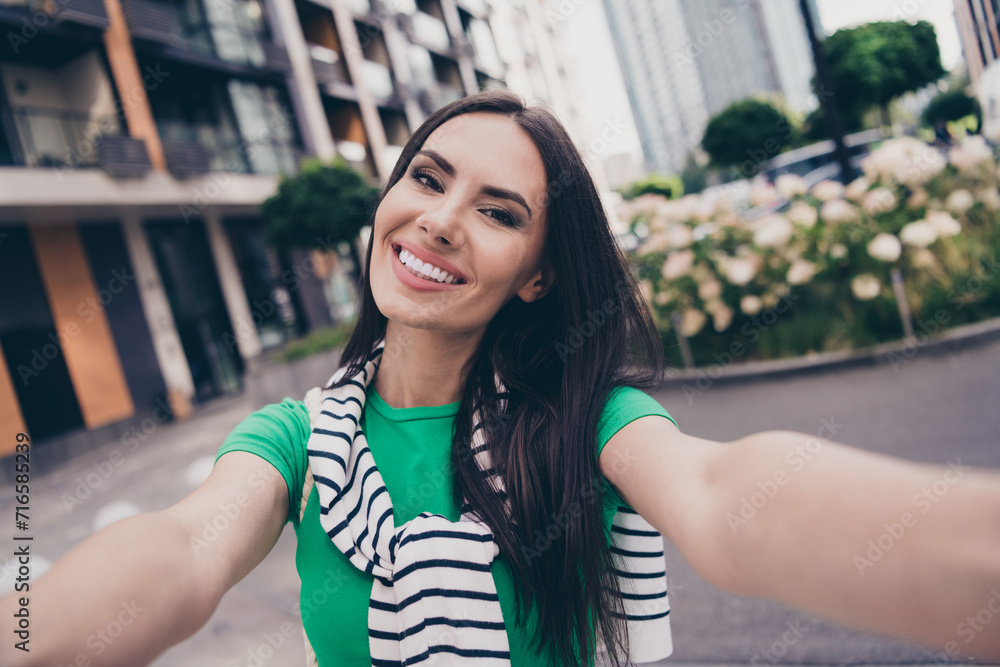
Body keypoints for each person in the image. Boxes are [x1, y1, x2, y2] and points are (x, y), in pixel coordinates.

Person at [3, 89, 1000, 667]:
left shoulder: (591, 421)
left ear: (539, 274)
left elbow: (722, 494)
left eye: (498, 210)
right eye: (427, 178)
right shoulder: (297, 439)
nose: (439, 219)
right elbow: (180, 552)